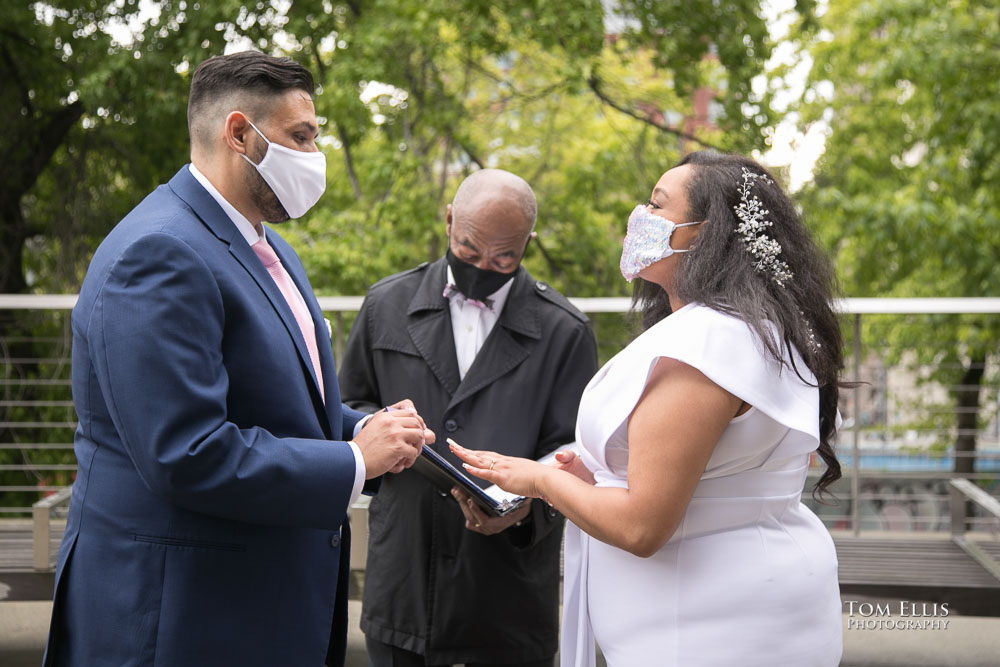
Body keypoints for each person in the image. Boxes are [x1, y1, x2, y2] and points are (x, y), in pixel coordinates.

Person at [43, 51, 434, 667]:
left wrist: (365, 429)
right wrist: (354, 461)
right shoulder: (159, 253)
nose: (315, 155)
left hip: (257, 606)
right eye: (300, 136)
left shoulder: (265, 245)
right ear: (239, 134)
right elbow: (187, 453)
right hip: (181, 619)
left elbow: (277, 404)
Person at [453, 152, 845, 666]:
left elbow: (643, 528)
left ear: (704, 234)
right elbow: (713, 479)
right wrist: (595, 483)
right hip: (748, 609)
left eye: (656, 205)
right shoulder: (759, 328)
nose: (638, 215)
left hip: (706, 632)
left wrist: (538, 480)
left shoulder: (704, 347)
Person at [337, 168, 598, 667]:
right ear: (449, 219)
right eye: (470, 249)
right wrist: (382, 432)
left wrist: (529, 506)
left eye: (505, 256)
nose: (486, 265)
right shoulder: (384, 305)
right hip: (405, 583)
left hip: (508, 597)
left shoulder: (566, 331)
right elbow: (351, 408)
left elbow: (576, 453)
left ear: (529, 243)